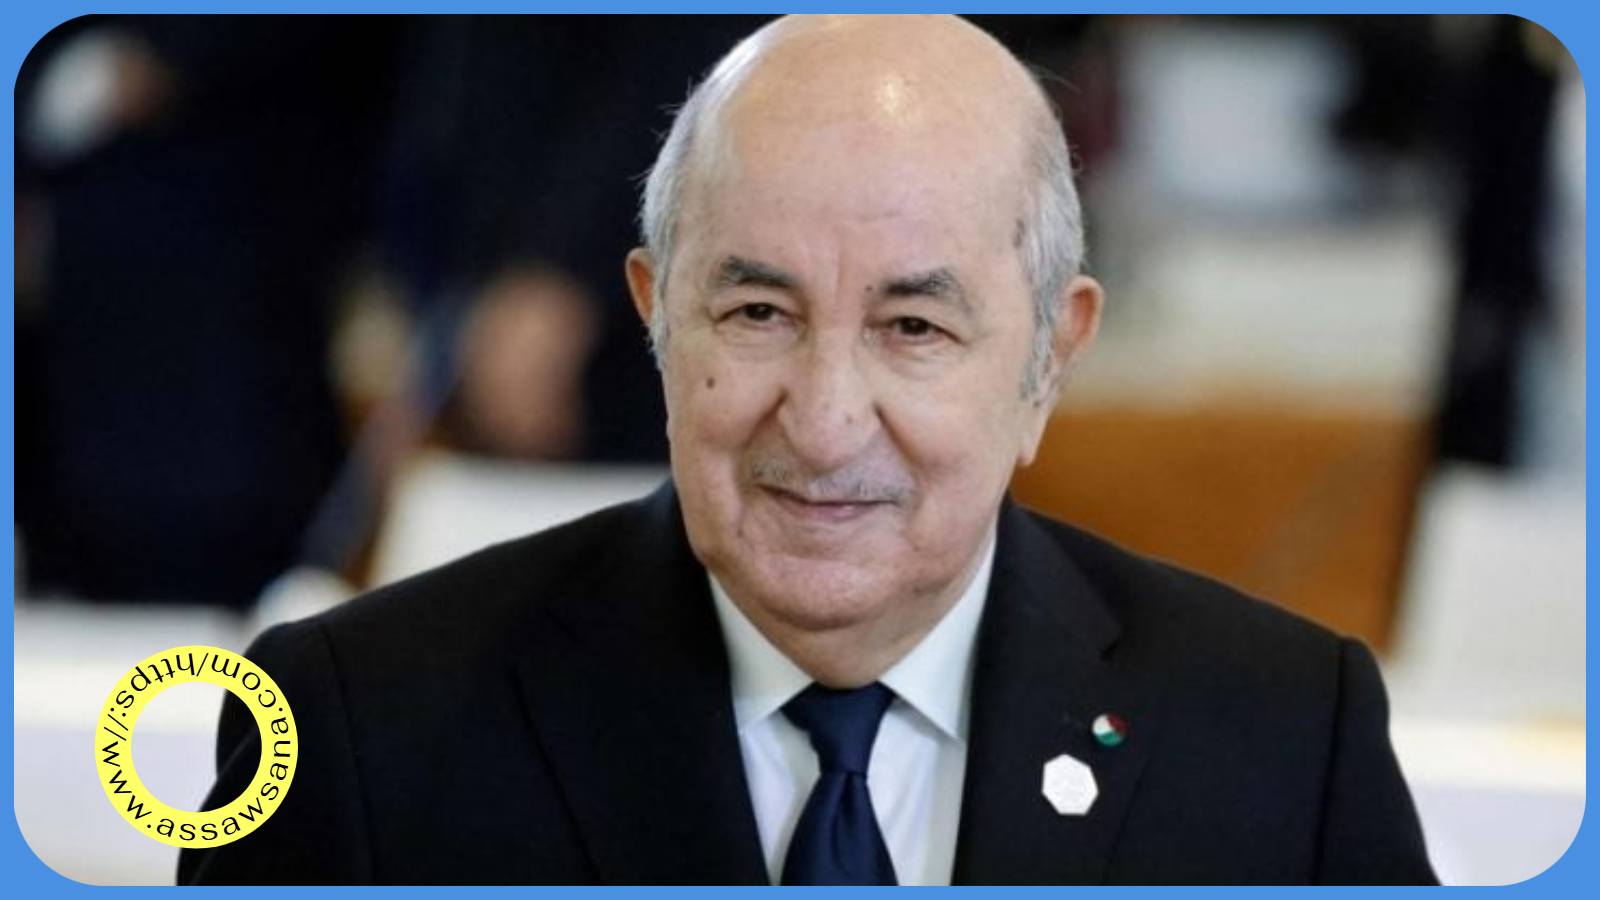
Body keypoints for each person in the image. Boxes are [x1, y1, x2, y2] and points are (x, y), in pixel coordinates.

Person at [180, 15, 1435, 885]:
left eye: (913, 327)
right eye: (757, 314)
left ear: (1052, 357)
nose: (825, 423)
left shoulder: (1285, 738)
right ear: (655, 317)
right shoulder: (347, 730)